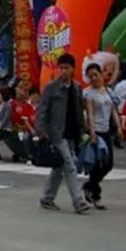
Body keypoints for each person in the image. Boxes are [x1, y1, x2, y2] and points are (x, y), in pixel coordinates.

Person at [36, 53, 92, 214]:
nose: (63, 71)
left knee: (59, 167)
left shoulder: (76, 88)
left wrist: (82, 131)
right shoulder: (51, 88)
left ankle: (47, 198)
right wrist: (41, 131)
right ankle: (79, 201)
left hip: (71, 134)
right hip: (56, 133)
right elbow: (42, 111)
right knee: (69, 165)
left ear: (73, 69)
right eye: (61, 68)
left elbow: (78, 112)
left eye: (67, 68)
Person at [82, 63, 121, 209]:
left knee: (108, 164)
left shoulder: (108, 92)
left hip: (106, 131)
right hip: (96, 131)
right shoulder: (88, 93)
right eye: (90, 76)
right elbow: (90, 113)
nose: (94, 78)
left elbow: (113, 110)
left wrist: (119, 127)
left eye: (96, 74)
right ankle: (95, 194)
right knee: (98, 162)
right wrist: (92, 132)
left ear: (101, 74)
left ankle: (89, 185)